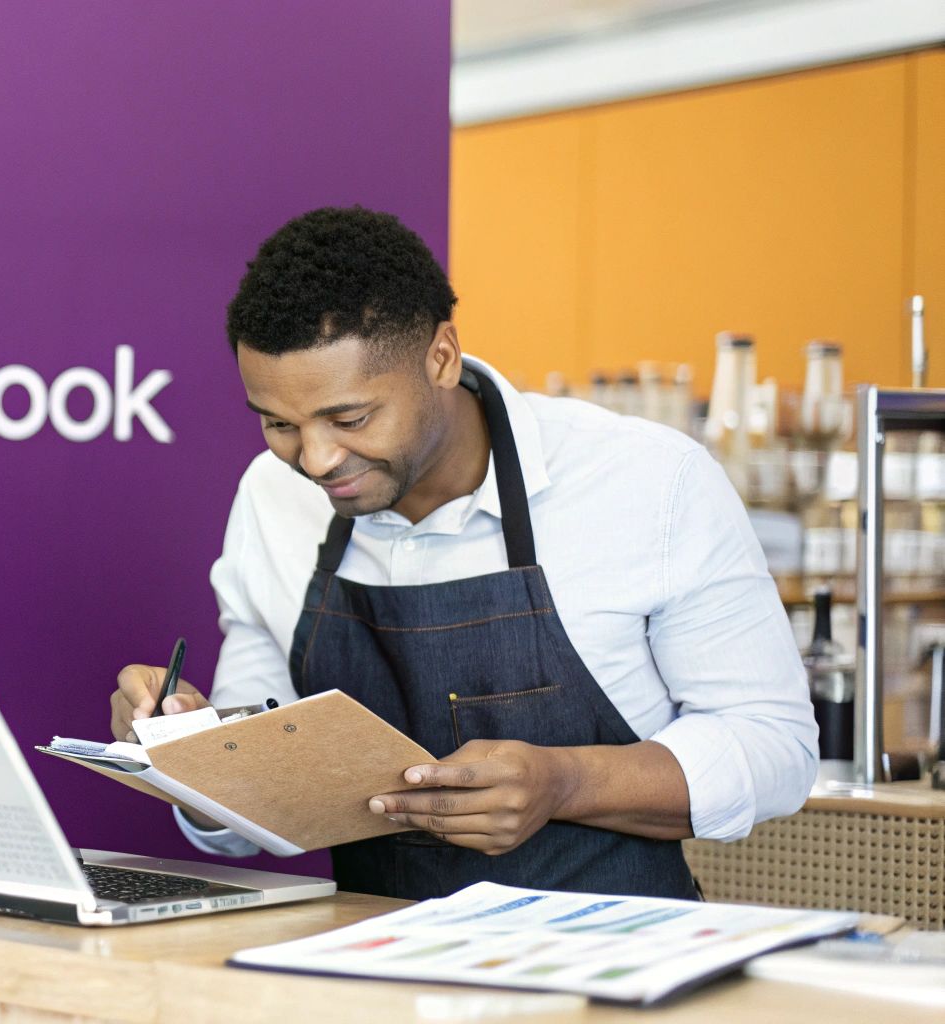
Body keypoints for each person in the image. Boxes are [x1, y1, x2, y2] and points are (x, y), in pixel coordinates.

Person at [109, 207, 817, 900]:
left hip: (612, 979)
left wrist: (565, 784)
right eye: (279, 424)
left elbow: (774, 749)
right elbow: (258, 789)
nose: (317, 459)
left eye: (349, 418)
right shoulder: (271, 496)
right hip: (371, 967)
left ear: (441, 358)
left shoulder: (651, 482)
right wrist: (188, 758)